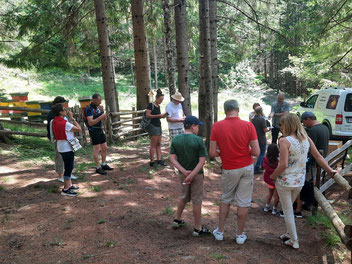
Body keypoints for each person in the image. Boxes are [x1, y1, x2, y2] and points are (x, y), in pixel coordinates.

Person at [269, 113, 336, 249]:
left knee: (287, 210)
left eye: (281, 125)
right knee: (289, 209)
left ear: (286, 125)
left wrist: (273, 176)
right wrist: (330, 171)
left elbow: (283, 164)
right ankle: (289, 233)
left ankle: (294, 240)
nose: (280, 128)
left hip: (285, 181)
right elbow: (318, 156)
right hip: (299, 181)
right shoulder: (306, 139)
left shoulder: (284, 141)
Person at [209, 99, 260, 244]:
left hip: (229, 168)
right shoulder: (248, 126)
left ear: (225, 111)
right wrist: (246, 150)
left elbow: (212, 152)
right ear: (237, 109)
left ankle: (220, 232)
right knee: (243, 201)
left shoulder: (217, 126)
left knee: (226, 199)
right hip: (246, 166)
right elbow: (256, 152)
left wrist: (224, 152)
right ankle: (239, 235)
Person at [170, 116, 210, 236]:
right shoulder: (198, 141)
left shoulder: (176, 139)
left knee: (184, 196)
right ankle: (197, 228)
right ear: (192, 126)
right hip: (197, 175)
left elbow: (172, 159)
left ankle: (177, 219)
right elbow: (202, 161)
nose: (198, 128)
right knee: (196, 200)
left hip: (183, 175)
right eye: (198, 126)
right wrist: (192, 174)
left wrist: (184, 172)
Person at [299, 111, 330, 212]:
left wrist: (307, 162)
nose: (303, 124)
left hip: (314, 161)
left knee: (309, 182)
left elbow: (310, 148)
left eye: (303, 122)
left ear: (308, 119)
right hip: (323, 158)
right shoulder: (325, 128)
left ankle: (309, 203)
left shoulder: (313, 130)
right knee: (316, 180)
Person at [51, 103, 82, 197]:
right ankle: (65, 189)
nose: (66, 110)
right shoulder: (65, 123)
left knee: (69, 166)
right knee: (69, 168)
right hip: (67, 147)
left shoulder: (55, 121)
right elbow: (79, 129)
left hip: (61, 146)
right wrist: (72, 118)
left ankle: (70, 185)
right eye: (64, 109)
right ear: (60, 112)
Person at [47, 96, 77, 182]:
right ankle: (60, 175)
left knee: (68, 157)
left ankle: (68, 173)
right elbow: (52, 128)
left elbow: (67, 125)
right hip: (59, 138)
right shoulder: (52, 115)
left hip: (67, 138)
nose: (64, 105)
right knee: (59, 156)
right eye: (63, 103)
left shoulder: (62, 114)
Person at [85, 93, 113, 175]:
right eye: (98, 101)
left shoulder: (97, 108)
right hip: (94, 130)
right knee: (97, 149)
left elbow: (103, 118)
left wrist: (104, 114)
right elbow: (90, 122)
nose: (100, 103)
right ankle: (98, 167)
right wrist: (101, 117)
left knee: (104, 147)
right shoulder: (89, 109)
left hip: (100, 129)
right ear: (93, 100)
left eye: (100, 101)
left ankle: (103, 164)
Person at [146, 89, 168, 167]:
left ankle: (159, 159)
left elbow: (157, 116)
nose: (161, 101)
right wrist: (159, 116)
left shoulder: (158, 106)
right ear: (157, 98)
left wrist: (162, 116)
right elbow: (148, 115)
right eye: (160, 100)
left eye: (162, 100)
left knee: (158, 144)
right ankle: (152, 161)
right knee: (153, 144)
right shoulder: (151, 105)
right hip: (153, 126)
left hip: (158, 125)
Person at [252, 106, 270, 174]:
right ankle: (257, 167)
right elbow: (265, 130)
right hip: (262, 138)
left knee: (259, 153)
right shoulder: (262, 119)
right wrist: (269, 129)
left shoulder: (253, 119)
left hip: (255, 138)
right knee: (262, 153)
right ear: (261, 111)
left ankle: (262, 166)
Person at [262, 144, 280, 215]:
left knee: (270, 192)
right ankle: (274, 209)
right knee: (276, 195)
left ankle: (267, 206)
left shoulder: (265, 159)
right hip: (276, 179)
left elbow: (264, 167)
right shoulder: (278, 160)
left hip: (269, 179)